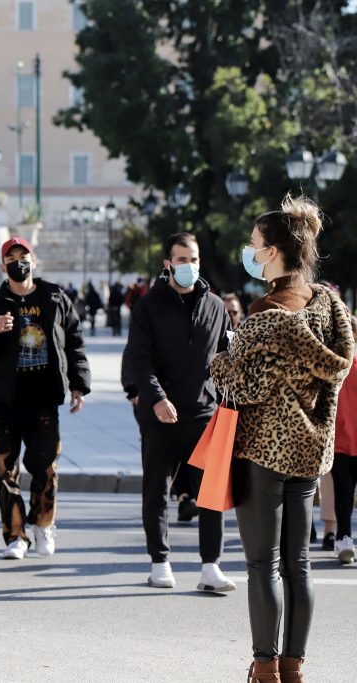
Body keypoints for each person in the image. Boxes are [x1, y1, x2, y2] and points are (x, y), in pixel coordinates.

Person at [209, 195, 354, 683]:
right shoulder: (330, 305)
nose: (250, 252)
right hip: (312, 452)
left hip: (264, 451)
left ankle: (265, 668)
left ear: (273, 253)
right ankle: (293, 668)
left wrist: (219, 362)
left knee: (261, 565)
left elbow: (243, 386)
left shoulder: (265, 313)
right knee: (300, 564)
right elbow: (339, 368)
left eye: (254, 245)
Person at [0, 237, 90, 560]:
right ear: (3, 266)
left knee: (45, 465)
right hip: (3, 400)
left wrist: (79, 384)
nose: (19, 261)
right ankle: (15, 535)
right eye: (12, 257)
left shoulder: (54, 296)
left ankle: (43, 524)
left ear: (34, 261)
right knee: (6, 472)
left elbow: (74, 341)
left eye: (24, 255)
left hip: (44, 397)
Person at [124, 232, 233, 593]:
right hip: (161, 416)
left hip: (204, 414)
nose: (189, 266)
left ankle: (210, 566)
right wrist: (155, 398)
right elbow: (139, 358)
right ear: (167, 264)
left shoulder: (216, 307)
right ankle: (160, 562)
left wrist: (226, 400)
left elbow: (226, 358)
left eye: (194, 259)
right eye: (182, 260)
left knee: (210, 494)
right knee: (157, 490)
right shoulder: (147, 307)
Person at [330, 315, 357, 564]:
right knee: (343, 492)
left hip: (349, 438)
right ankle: (343, 538)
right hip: (338, 440)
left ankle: (344, 537)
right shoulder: (333, 362)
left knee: (345, 492)